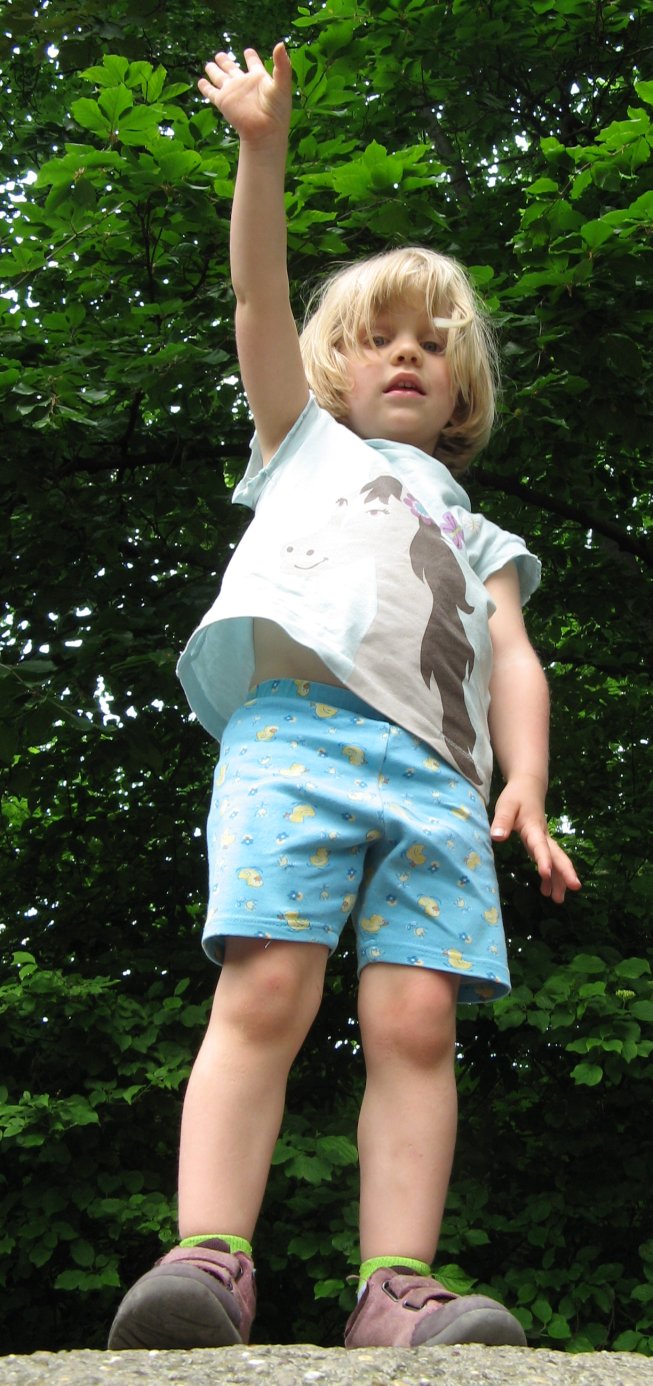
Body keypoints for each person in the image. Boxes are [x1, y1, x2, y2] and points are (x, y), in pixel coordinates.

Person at [108, 43, 580, 1352]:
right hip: (296, 739)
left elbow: (509, 658)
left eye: (434, 345)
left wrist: (523, 783)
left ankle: (397, 1287)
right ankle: (209, 1258)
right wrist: (259, 151)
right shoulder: (300, 445)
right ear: (334, 370)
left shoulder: (475, 527)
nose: (407, 357)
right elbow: (261, 303)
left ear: (462, 388)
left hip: (434, 778)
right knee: (265, 983)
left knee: (417, 1017)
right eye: (376, 341)